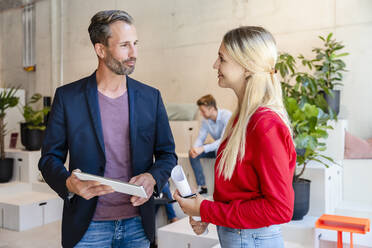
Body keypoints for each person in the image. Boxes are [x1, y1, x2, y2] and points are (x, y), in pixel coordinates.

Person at [38, 10, 177, 248]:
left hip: (138, 225)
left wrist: (153, 177)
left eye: (135, 43)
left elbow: (167, 154)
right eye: (124, 45)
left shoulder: (150, 97)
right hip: (87, 227)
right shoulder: (68, 97)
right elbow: (49, 158)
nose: (134, 53)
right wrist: (68, 183)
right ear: (100, 50)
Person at [174, 26, 296, 248]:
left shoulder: (265, 124)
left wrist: (205, 209)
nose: (215, 65)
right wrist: (209, 215)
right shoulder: (242, 120)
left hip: (251, 239)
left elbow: (280, 208)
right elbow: (242, 195)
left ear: (246, 66)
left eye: (221, 58)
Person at [189, 94, 231, 194]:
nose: (201, 114)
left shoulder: (227, 116)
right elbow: (201, 137)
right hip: (216, 147)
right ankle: (202, 186)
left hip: (228, 148)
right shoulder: (205, 121)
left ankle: (223, 189)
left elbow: (223, 140)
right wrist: (195, 149)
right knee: (192, 154)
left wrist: (203, 148)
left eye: (203, 111)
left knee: (220, 149)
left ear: (212, 108)